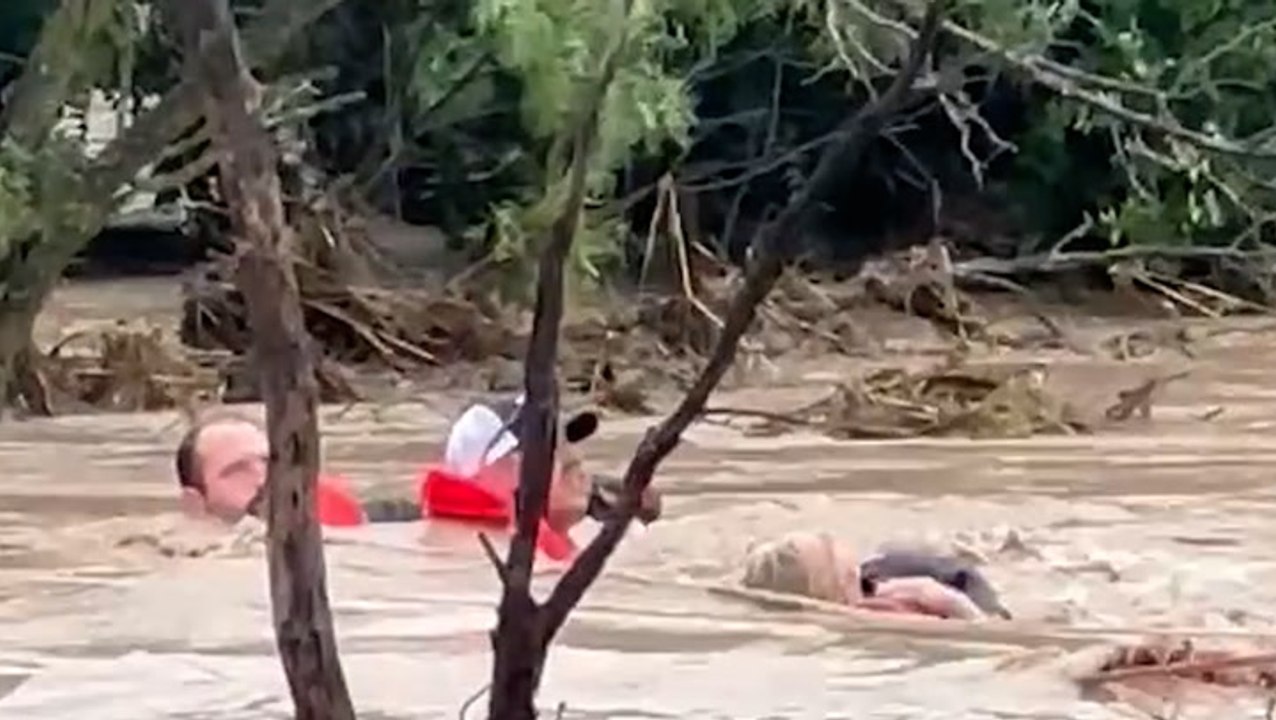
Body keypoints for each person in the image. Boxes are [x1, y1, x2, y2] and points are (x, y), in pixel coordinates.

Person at [174, 401, 660, 553]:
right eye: (238, 470)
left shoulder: (599, 526)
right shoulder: (207, 551)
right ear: (195, 503)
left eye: (270, 461)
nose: (265, 478)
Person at [740, 531, 1002, 620]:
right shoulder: (883, 614)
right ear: (839, 580)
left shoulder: (862, 582)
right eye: (827, 546)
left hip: (891, 569)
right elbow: (982, 629)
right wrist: (956, 604)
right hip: (961, 585)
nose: (833, 540)